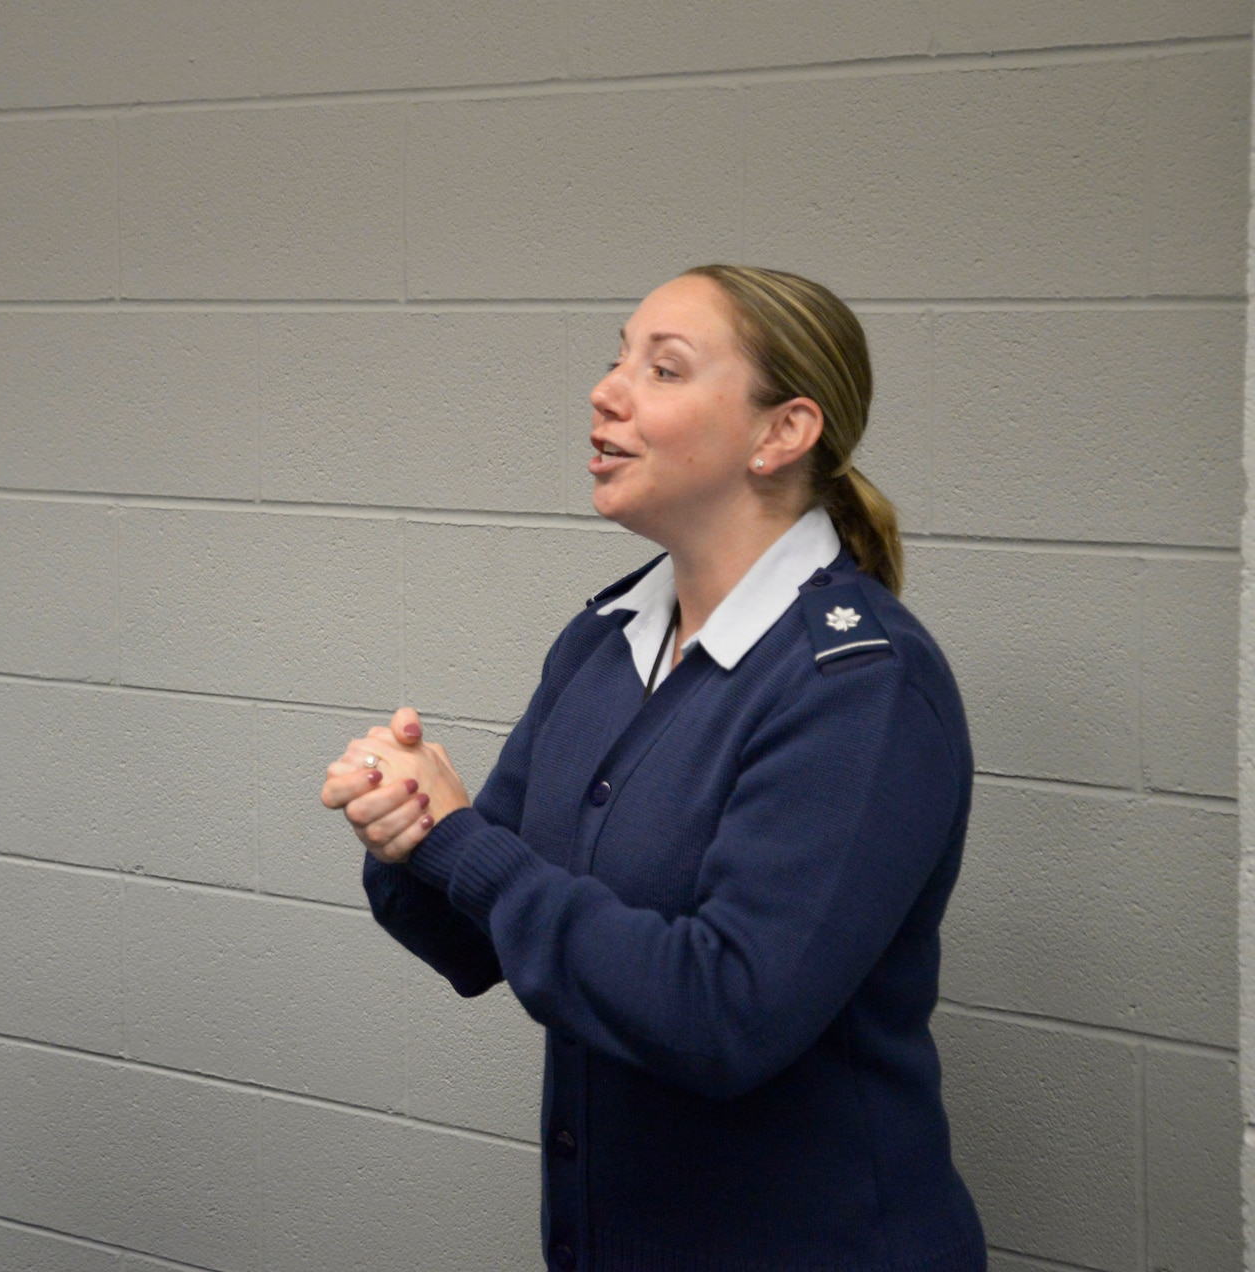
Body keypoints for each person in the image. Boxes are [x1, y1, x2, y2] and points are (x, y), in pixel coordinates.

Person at [321, 265, 985, 1270]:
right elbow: (478, 936)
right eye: (616, 357)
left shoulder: (858, 687)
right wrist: (408, 829)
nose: (606, 390)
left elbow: (722, 1014)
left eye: (663, 368)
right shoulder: (604, 641)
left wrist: (462, 845)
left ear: (780, 434)